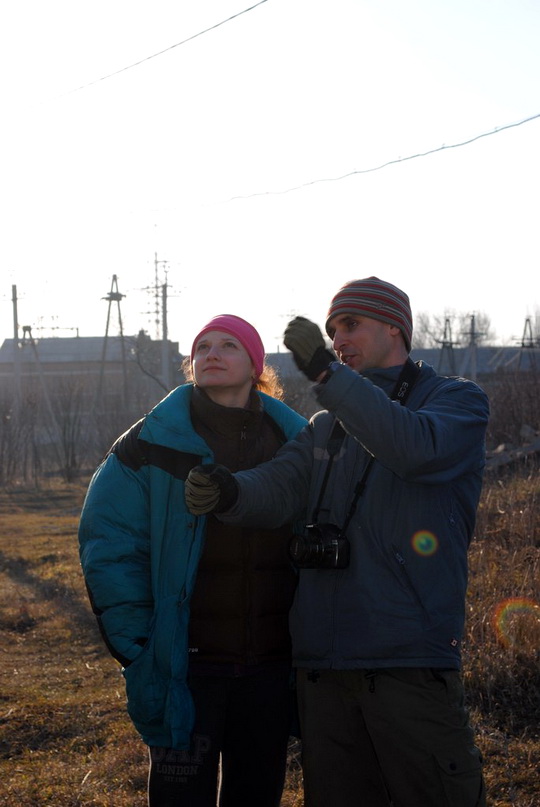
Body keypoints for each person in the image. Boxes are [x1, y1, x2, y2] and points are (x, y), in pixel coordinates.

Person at [184, 278, 489, 807]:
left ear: (395, 326)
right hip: (323, 669)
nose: (338, 339)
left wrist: (328, 374)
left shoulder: (455, 401)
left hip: (408, 662)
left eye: (350, 325)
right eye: (331, 331)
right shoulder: (327, 426)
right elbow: (280, 485)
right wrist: (230, 490)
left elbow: (415, 448)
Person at [78, 314, 307, 807]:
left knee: (256, 796)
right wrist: (139, 645)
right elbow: (109, 546)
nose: (211, 354)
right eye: (202, 347)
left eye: (228, 346)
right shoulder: (149, 445)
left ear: (256, 366)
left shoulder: (298, 446)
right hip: (186, 666)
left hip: (271, 663)